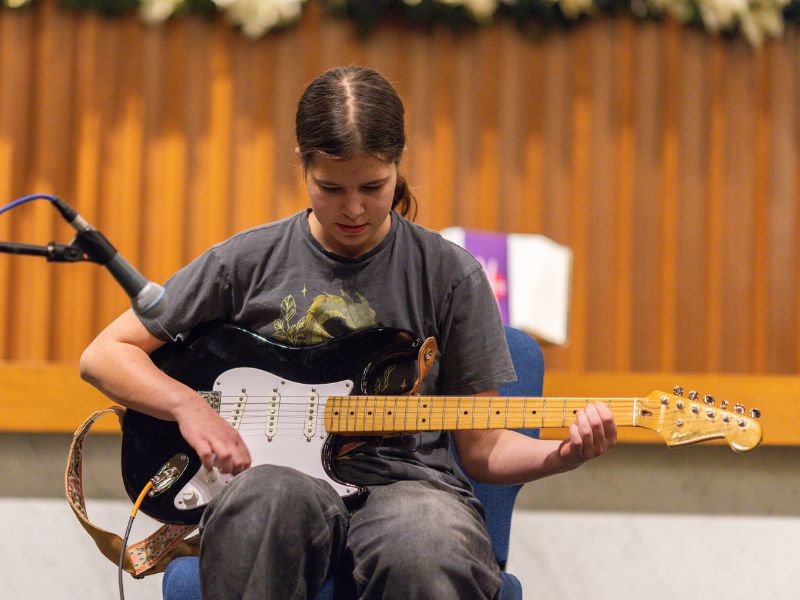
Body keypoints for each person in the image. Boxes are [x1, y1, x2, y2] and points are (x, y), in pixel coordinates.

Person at [80, 65, 617, 600]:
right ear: (303, 163)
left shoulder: (450, 275)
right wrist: (187, 407)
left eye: (374, 187)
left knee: (426, 542)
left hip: (411, 488)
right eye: (331, 188)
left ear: (398, 164)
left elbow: (484, 448)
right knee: (264, 503)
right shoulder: (246, 261)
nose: (354, 208)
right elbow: (105, 354)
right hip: (276, 481)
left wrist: (560, 456)